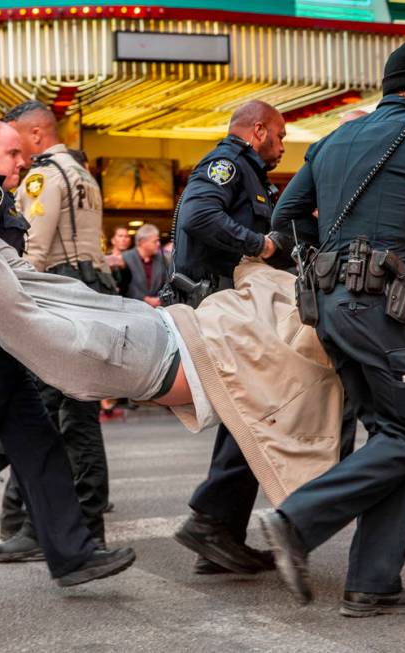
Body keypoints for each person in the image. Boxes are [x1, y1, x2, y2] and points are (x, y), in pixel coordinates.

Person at [265, 40, 405, 615]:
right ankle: (296, 521)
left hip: (331, 307)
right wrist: (399, 238)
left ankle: (374, 582)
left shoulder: (330, 140)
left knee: (391, 436)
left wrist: (334, 249)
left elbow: (285, 219)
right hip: (384, 307)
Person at [0, 237, 343, 511]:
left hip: (157, 342)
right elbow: (8, 278)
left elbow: (8, 279)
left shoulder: (37, 333)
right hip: (156, 341)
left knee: (290, 351)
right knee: (289, 344)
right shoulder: (41, 333)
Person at [0, 118, 135, 580]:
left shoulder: (18, 185)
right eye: (12, 153)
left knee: (41, 443)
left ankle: (71, 553)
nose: (22, 161)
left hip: (2, 339)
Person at [169, 99, 285, 576]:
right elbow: (199, 217)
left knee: (248, 411)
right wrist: (258, 243)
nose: (281, 146)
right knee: (254, 410)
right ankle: (211, 521)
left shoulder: (249, 171)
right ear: (257, 130)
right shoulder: (226, 164)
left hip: (233, 310)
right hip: (217, 309)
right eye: (278, 136)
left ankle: (218, 537)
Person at [3, 100, 112, 549]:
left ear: (35, 135)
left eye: (15, 141)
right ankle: (77, 526)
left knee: (47, 411)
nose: (15, 152)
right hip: (92, 293)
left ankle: (39, 526)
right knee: (76, 414)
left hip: (60, 296)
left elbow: (36, 254)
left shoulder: (44, 175)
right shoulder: (84, 174)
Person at [118, 224, 168, 307]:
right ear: (142, 242)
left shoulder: (161, 259)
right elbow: (124, 287)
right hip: (132, 309)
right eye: (155, 241)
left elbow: (166, 282)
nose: (158, 244)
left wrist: (160, 298)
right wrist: (145, 299)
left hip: (157, 310)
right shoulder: (125, 258)